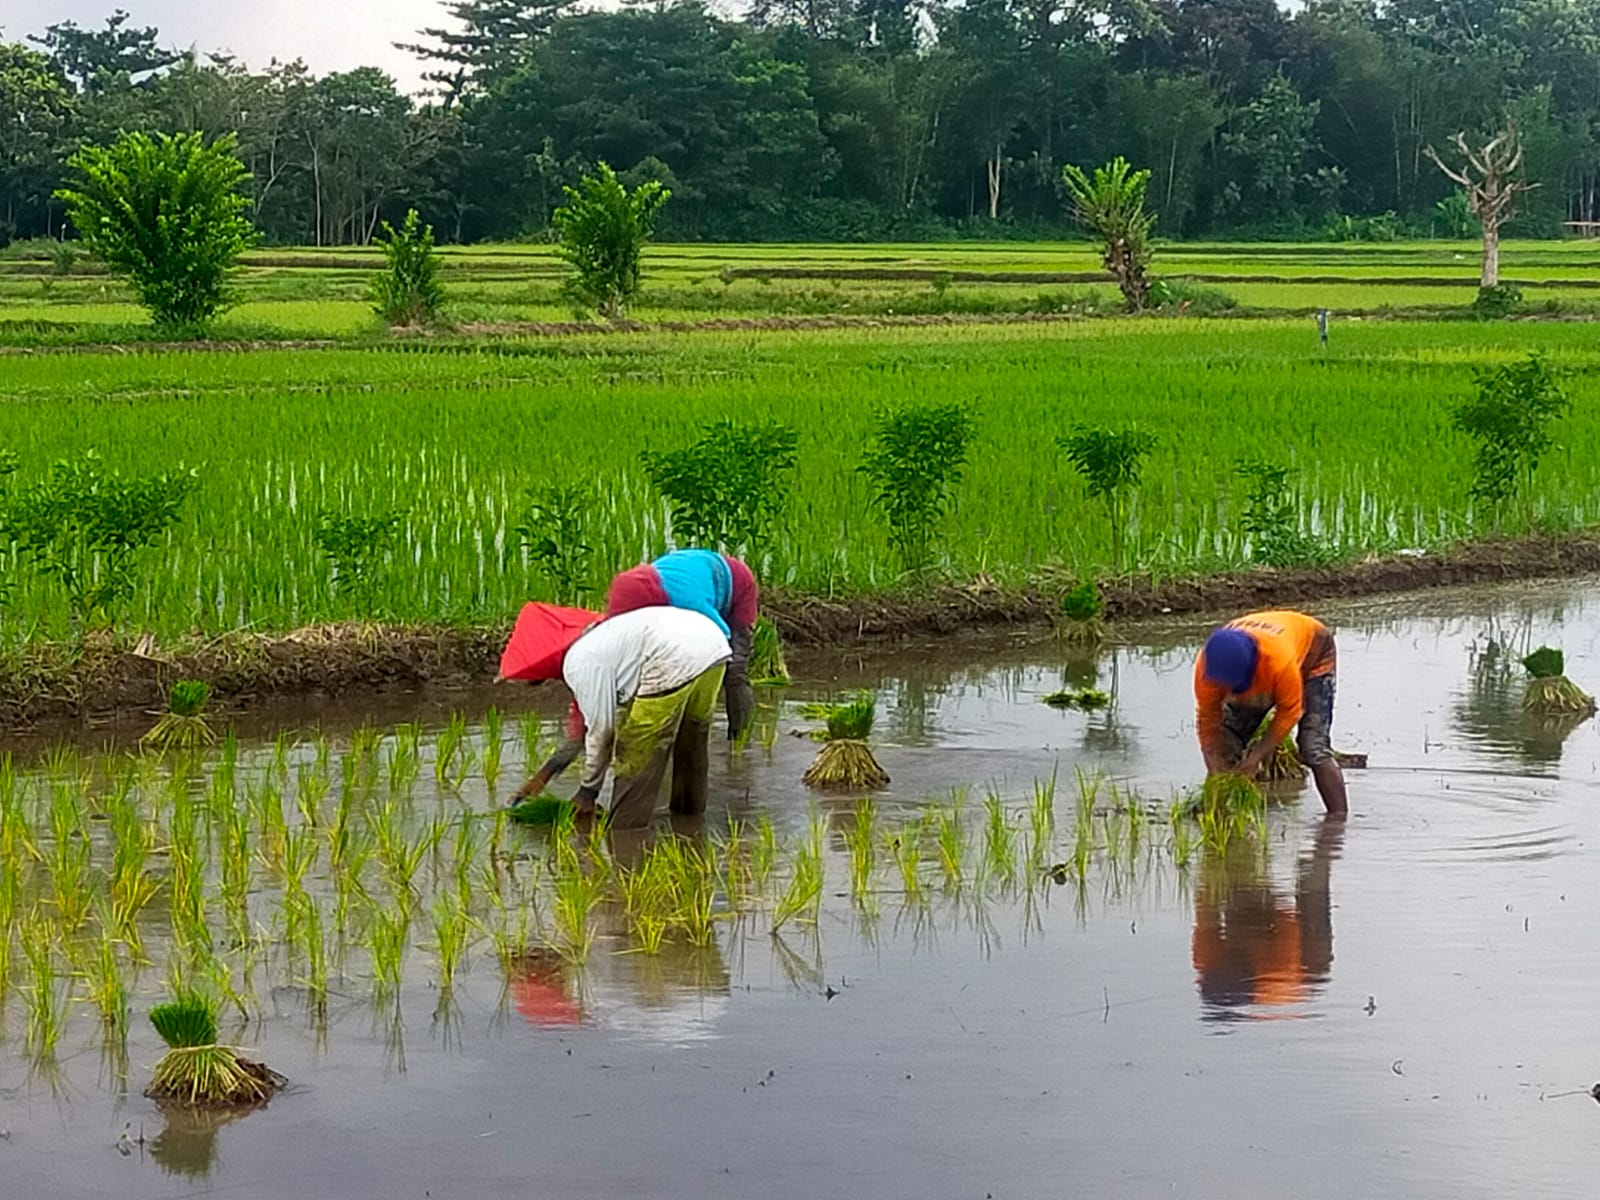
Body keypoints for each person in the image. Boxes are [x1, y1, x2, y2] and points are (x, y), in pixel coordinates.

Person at [523, 605, 731, 829]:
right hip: (713, 645)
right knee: (691, 738)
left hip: (672, 655)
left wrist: (587, 792)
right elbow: (580, 736)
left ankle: (626, 831)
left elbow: (602, 732)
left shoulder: (579, 663)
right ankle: (690, 822)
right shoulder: (600, 639)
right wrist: (542, 777)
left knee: (635, 745)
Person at [1194, 609, 1348, 815]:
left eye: (1235, 686)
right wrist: (1214, 766)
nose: (1231, 693)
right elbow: (1207, 722)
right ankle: (1215, 815)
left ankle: (1338, 821)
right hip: (1268, 661)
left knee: (1313, 747)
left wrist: (1257, 756)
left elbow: (1290, 712)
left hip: (1315, 652)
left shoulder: (1277, 662)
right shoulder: (1207, 669)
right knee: (1226, 744)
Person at [605, 549, 759, 741]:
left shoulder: (686, 601)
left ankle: (740, 740)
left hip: (736, 583)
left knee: (735, 670)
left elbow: (721, 637)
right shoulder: (626, 598)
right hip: (693, 571)